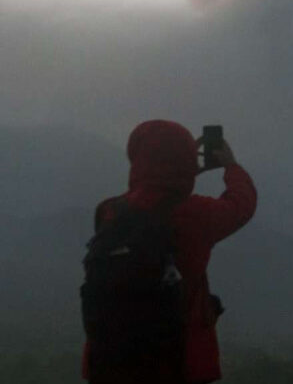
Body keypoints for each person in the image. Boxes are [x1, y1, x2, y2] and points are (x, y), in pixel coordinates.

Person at [82, 119, 258, 383]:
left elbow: (146, 197)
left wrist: (179, 176)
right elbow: (241, 204)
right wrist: (231, 166)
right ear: (186, 160)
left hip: (109, 365)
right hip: (176, 366)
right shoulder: (197, 216)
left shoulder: (108, 211)